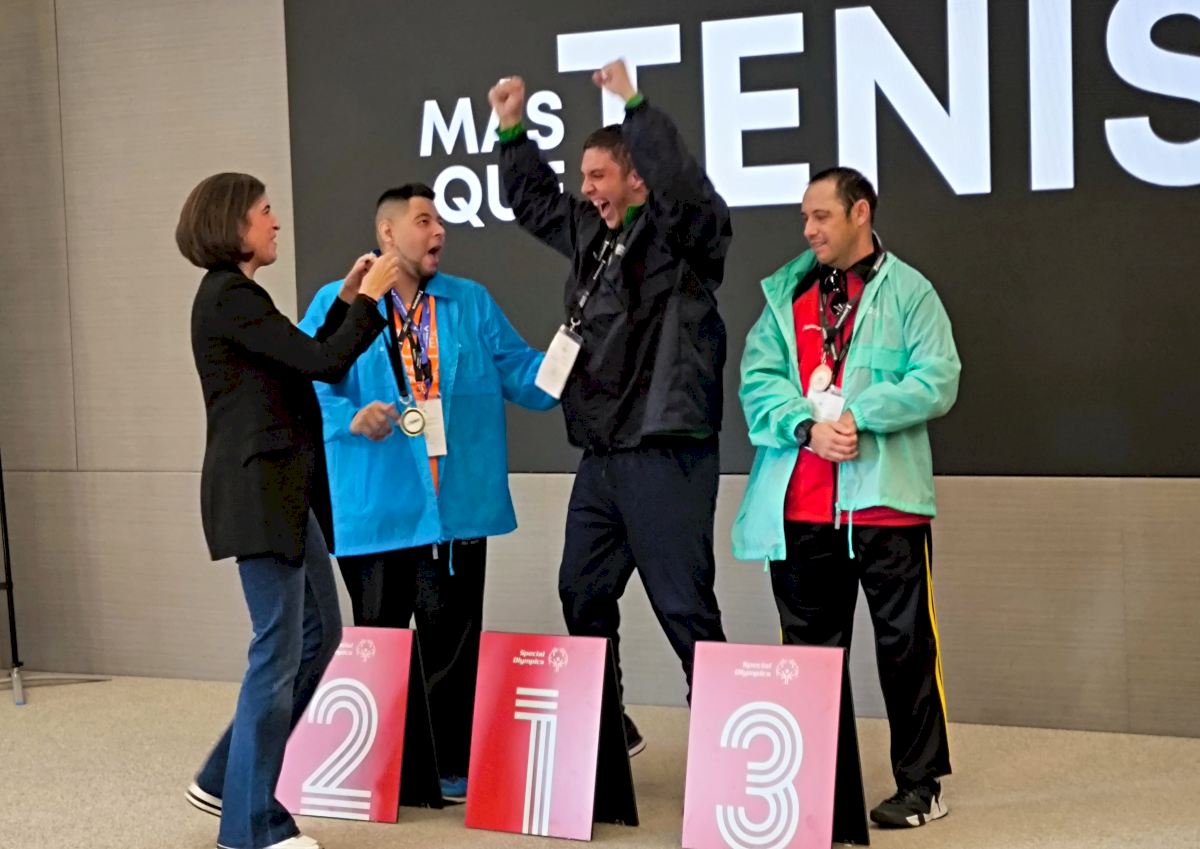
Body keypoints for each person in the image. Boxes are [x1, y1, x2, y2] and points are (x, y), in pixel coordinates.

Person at [488, 60, 730, 754]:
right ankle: (608, 725)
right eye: (584, 177)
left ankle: (728, 740)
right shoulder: (592, 235)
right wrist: (511, 128)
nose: (587, 189)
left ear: (638, 178)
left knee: (683, 604)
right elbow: (535, 201)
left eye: (598, 176)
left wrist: (636, 105)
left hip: (665, 451)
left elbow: (684, 184)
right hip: (602, 455)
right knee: (582, 589)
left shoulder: (682, 238)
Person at [298, 183, 556, 801]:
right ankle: (381, 767)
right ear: (387, 233)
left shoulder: (470, 302)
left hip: (456, 508)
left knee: (453, 644)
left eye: (440, 220)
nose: (438, 231)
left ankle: (450, 765)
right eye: (423, 220)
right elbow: (304, 380)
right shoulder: (341, 300)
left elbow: (525, 373)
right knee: (380, 641)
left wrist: (583, 354)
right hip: (378, 506)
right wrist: (350, 420)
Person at [733, 167, 961, 828]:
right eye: (805, 217)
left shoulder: (911, 291)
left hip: (886, 505)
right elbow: (757, 379)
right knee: (808, 656)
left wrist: (862, 414)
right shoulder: (786, 294)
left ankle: (921, 785)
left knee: (906, 647)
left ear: (861, 212)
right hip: (801, 509)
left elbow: (939, 377)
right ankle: (813, 788)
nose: (808, 230)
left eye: (821, 216)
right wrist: (805, 427)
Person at [177, 171, 399, 849]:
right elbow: (325, 360)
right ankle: (252, 827)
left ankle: (225, 778)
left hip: (284, 494)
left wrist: (348, 298)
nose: (275, 222)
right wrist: (370, 300)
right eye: (265, 211)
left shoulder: (240, 299)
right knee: (277, 650)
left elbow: (308, 360)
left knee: (318, 634)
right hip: (259, 494)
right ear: (233, 224)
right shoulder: (229, 296)